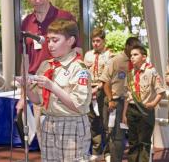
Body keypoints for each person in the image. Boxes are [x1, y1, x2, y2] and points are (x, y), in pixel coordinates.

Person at [16, 0, 82, 148]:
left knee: (68, 143)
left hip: (62, 86)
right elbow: (25, 59)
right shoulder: (26, 23)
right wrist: (23, 95)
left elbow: (78, 52)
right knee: (45, 141)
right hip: (38, 87)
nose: (37, 0)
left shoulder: (65, 17)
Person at [25, 18, 91, 161]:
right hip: (49, 122)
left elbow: (78, 105)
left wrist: (52, 87)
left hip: (72, 123)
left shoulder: (79, 68)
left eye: (55, 40)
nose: (50, 45)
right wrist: (26, 87)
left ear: (70, 41)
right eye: (48, 40)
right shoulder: (46, 66)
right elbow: (38, 100)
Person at [99, 37, 141, 162]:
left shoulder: (137, 62)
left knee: (134, 135)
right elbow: (105, 81)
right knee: (117, 136)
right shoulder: (116, 61)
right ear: (127, 46)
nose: (135, 51)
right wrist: (110, 99)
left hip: (133, 103)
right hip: (117, 103)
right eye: (133, 47)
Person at [122, 45, 165, 162]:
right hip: (131, 110)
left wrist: (153, 104)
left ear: (144, 57)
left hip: (145, 111)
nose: (132, 57)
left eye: (136, 55)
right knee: (132, 142)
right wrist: (124, 114)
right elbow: (127, 95)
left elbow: (161, 92)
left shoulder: (151, 71)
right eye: (131, 55)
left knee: (144, 142)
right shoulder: (130, 74)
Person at [84, 28, 114, 160]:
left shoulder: (110, 55)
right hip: (90, 90)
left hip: (104, 91)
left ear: (104, 41)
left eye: (98, 41)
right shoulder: (88, 55)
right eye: (93, 41)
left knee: (107, 123)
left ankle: (108, 152)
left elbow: (109, 76)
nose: (95, 44)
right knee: (93, 123)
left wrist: (99, 88)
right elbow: (84, 73)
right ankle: (96, 151)